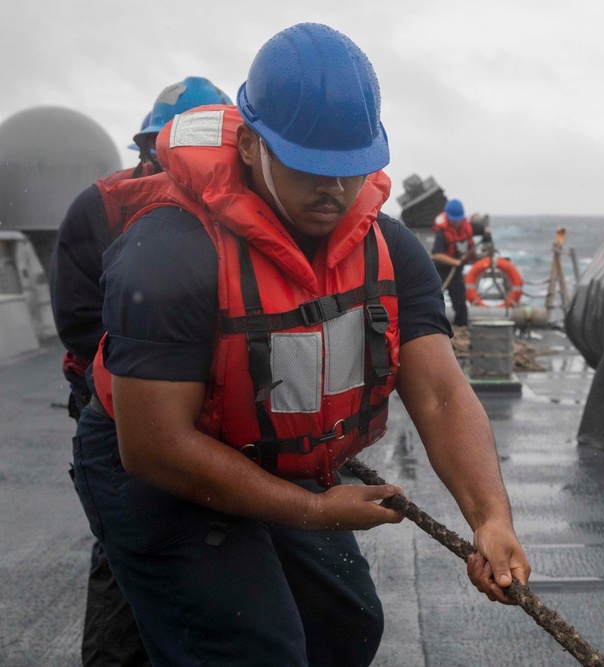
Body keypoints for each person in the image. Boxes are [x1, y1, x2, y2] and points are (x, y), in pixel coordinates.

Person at [72, 22, 529, 667]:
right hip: (153, 471)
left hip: (274, 455)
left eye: (350, 168)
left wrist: (491, 517)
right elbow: (156, 446)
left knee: (344, 629)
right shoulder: (170, 255)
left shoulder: (391, 251)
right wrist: (311, 511)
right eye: (310, 166)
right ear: (253, 144)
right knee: (250, 648)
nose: (334, 190)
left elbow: (443, 394)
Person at [49, 76, 232, 667]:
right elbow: (79, 321)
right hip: (114, 410)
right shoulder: (99, 207)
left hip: (211, 413)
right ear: (151, 145)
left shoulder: (228, 208)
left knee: (216, 543)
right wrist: (164, 381)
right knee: (130, 552)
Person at [430, 199, 491, 327]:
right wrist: (456, 262)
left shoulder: (468, 226)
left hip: (456, 272)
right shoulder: (442, 233)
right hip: (441, 271)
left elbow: (484, 227)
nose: (456, 223)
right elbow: (437, 254)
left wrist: (486, 233)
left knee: (460, 302)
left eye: (458, 219)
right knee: (434, 300)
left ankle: (461, 327)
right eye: (453, 220)